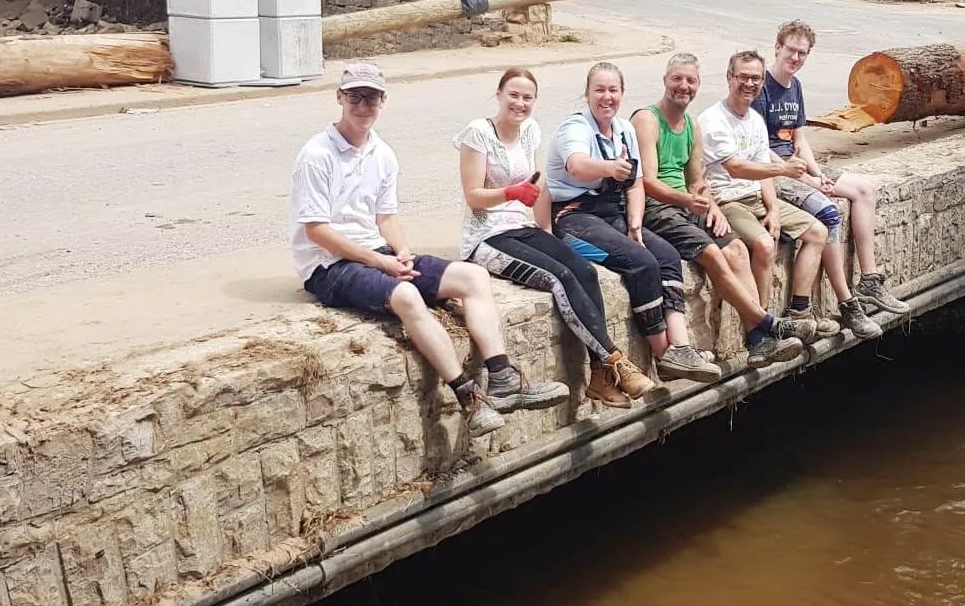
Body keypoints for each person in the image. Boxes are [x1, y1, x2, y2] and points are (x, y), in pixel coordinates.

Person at [291, 63, 567, 437]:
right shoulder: (317, 154)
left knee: (473, 276)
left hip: (378, 250)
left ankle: (502, 377)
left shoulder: (382, 153)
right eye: (355, 96)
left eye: (371, 97)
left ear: (383, 102)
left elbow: (385, 216)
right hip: (329, 266)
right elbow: (316, 230)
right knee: (405, 295)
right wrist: (381, 261)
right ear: (339, 98)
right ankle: (468, 398)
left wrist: (401, 249)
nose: (363, 105)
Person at [455, 67, 658, 409]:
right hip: (487, 236)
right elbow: (474, 196)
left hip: (522, 227)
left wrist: (547, 232)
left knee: (583, 269)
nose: (520, 104)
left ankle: (598, 378)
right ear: (499, 95)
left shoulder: (531, 131)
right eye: (514, 95)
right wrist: (509, 193)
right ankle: (614, 361)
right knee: (558, 277)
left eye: (527, 98)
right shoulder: (478, 132)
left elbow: (540, 187)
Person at [546, 62, 723, 384]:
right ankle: (662, 353)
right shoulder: (575, 128)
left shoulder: (624, 128)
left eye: (613, 90)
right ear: (587, 94)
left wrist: (636, 223)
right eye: (599, 89)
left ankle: (680, 348)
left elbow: (636, 184)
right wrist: (610, 168)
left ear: (622, 94)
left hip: (613, 211)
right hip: (574, 217)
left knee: (666, 255)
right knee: (641, 262)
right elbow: (577, 167)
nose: (606, 97)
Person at [633, 54, 808, 366]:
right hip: (657, 208)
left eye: (690, 81)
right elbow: (647, 182)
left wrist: (710, 205)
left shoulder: (690, 124)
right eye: (677, 79)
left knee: (738, 250)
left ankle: (758, 340)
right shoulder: (647, 120)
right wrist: (689, 200)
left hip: (689, 204)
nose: (683, 86)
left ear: (699, 85)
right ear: (665, 80)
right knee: (714, 254)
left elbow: (697, 180)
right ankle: (768, 324)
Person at [698, 51, 882, 340]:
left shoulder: (755, 120)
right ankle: (763, 327)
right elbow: (736, 168)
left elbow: (765, 171)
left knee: (819, 231)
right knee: (764, 244)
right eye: (743, 77)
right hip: (727, 198)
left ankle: (799, 310)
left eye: (755, 78)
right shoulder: (713, 120)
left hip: (757, 194)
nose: (749, 83)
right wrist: (783, 168)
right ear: (729, 78)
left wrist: (772, 208)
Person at [756, 20, 912, 321]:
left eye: (803, 53)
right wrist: (806, 178)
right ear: (777, 48)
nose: (796, 58)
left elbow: (800, 139)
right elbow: (758, 146)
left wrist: (818, 174)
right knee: (830, 212)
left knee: (865, 190)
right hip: (776, 169)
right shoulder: (761, 87)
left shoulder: (795, 87)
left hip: (798, 164)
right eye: (791, 50)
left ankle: (869, 278)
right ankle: (845, 300)